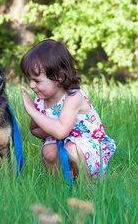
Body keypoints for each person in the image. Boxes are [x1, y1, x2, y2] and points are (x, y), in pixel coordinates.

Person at [20, 39, 116, 180]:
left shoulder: (73, 97)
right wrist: (45, 121)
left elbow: (60, 131)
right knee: (48, 151)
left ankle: (88, 190)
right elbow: (35, 130)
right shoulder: (41, 100)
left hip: (91, 146)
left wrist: (32, 111)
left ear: (60, 77)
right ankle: (63, 187)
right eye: (29, 79)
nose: (31, 85)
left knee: (72, 151)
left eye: (37, 81)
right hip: (65, 142)